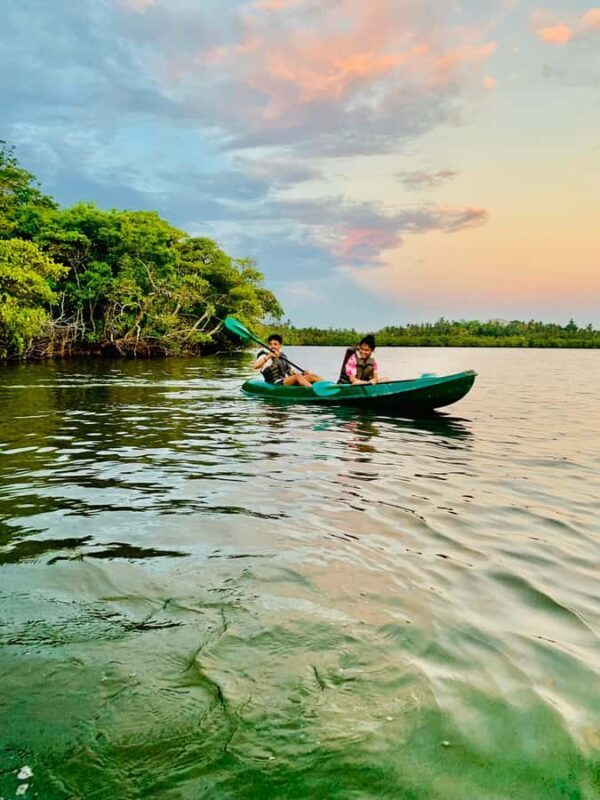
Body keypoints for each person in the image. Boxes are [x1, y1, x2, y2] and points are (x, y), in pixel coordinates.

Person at [254, 334, 322, 387]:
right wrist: (269, 356)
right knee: (297, 377)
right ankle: (314, 390)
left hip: (285, 380)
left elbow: (290, 372)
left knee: (312, 375)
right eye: (270, 344)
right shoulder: (264, 355)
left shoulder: (283, 356)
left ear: (280, 346)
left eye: (275, 344)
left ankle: (330, 387)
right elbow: (255, 366)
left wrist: (303, 374)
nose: (272, 346)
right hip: (274, 383)